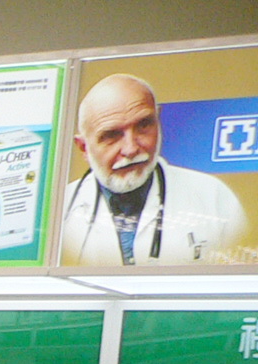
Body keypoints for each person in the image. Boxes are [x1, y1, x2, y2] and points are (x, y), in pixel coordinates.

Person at [62, 72, 251, 266]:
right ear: (83, 148)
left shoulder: (214, 198)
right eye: (112, 135)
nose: (131, 149)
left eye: (143, 125)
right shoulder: (60, 211)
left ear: (158, 121)